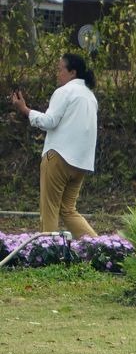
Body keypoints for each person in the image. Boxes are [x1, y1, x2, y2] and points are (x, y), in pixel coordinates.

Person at [11, 54, 100, 239]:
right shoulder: (90, 97)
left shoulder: (65, 92)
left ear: (72, 72)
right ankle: (99, 247)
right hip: (81, 163)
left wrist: (24, 109)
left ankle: (48, 257)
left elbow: (49, 121)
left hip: (58, 157)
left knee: (49, 210)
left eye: (60, 69)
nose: (57, 73)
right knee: (68, 210)